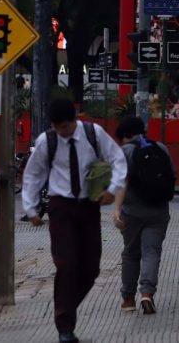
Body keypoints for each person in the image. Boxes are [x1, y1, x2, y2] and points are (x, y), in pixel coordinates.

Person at [21, 98, 127, 343]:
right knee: (66, 264)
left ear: (74, 120)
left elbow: (118, 159)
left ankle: (65, 306)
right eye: (56, 127)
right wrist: (31, 208)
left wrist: (112, 189)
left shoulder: (93, 133)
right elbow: (33, 175)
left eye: (65, 127)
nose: (61, 132)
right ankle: (65, 326)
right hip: (61, 207)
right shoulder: (47, 141)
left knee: (90, 268)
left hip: (88, 206)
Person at [115, 116, 173, 314]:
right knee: (151, 251)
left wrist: (117, 210)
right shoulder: (160, 147)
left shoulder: (125, 151)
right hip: (159, 211)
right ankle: (147, 293)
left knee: (131, 253)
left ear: (124, 135)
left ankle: (128, 299)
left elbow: (121, 182)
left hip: (132, 212)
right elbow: (170, 175)